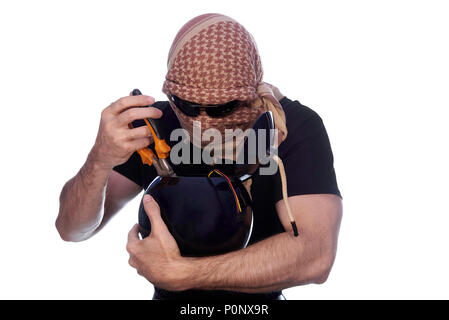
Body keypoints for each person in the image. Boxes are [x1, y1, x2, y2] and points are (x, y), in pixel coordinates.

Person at [56, 13, 342, 300]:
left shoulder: (291, 127)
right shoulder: (152, 125)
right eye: (188, 106)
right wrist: (100, 158)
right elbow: (73, 229)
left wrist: (182, 274)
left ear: (248, 92)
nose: (202, 122)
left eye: (220, 109)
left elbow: (316, 256)